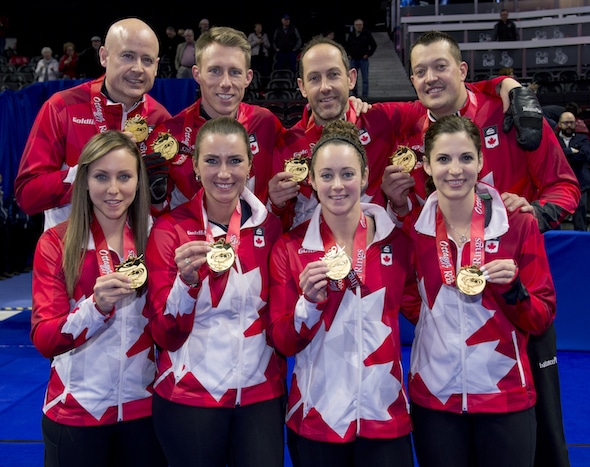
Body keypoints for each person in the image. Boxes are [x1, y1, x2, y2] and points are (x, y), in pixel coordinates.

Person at [381, 30, 578, 467]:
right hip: (448, 303)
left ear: (463, 71)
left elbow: (565, 187)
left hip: (515, 295)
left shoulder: (508, 111)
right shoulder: (410, 129)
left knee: (541, 430)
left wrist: (534, 214)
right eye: (420, 71)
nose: (431, 78)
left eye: (441, 67)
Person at [403, 114, 555, 467]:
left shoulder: (517, 222)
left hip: (505, 396)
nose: (455, 170)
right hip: (435, 398)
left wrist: (514, 291)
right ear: (425, 165)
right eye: (443, 159)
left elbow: (542, 316)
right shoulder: (415, 230)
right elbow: (411, 298)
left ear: (481, 160)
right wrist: (436, 325)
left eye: (465, 158)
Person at [268, 119, 420, 467]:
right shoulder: (289, 248)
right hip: (317, 419)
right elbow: (282, 341)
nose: (337, 186)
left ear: (366, 177)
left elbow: (426, 314)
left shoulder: (396, 243)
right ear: (311, 180)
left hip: (386, 417)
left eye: (348, 174)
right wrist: (307, 305)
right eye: (326, 175)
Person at [268, 35, 524, 231]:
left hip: (379, 259)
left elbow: (441, 95)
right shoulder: (287, 145)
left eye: (334, 75)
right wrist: (277, 206)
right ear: (301, 87)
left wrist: (503, 84)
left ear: (351, 78)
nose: (325, 87)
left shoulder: (382, 119)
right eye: (314, 78)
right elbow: (282, 224)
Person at [145, 117, 285, 467]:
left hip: (259, 395)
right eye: (212, 160)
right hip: (189, 397)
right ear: (194, 166)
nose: (224, 172)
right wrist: (186, 285)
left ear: (251, 165)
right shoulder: (169, 230)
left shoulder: (270, 227)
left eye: (235, 160)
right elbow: (165, 334)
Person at [30, 130, 168, 467]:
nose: (113, 189)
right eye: (101, 176)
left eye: (124, 176)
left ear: (138, 181)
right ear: (85, 181)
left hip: (145, 414)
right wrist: (95, 307)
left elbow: (173, 328)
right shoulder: (55, 244)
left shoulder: (159, 237)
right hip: (76, 414)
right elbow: (46, 338)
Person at [14, 17, 171, 231]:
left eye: (147, 60)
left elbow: (167, 211)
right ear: (104, 56)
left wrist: (157, 197)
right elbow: (27, 196)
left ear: (156, 66)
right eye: (127, 56)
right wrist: (91, 171)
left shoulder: (161, 119)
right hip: (70, 257)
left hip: (136, 258)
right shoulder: (62, 108)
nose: (138, 68)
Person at [146, 26, 285, 210]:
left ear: (248, 77)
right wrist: (154, 200)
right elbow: (158, 216)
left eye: (235, 72)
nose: (225, 83)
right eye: (215, 71)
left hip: (257, 237)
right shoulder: (168, 136)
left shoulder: (266, 123)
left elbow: (286, 205)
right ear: (197, 74)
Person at [556, 111, 590, 231]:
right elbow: (553, 156)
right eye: (566, 123)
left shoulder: (583, 139)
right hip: (558, 185)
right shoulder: (553, 139)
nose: (569, 125)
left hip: (580, 185)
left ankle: (582, 246)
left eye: (571, 123)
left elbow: (585, 155)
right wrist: (571, 151)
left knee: (580, 220)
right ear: (559, 124)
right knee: (555, 218)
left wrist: (564, 154)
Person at [345, 18, 377, 98]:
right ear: (354, 26)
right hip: (353, 59)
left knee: (365, 78)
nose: (359, 26)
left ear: (362, 25)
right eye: (357, 25)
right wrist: (348, 54)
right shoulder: (351, 34)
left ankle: (365, 95)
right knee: (353, 77)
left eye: (360, 25)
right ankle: (354, 94)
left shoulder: (367, 34)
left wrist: (368, 54)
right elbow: (347, 45)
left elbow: (374, 45)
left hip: (363, 59)